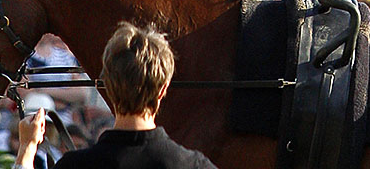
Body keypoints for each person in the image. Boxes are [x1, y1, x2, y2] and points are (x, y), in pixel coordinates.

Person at [14, 23, 217, 169]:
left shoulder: (74, 165)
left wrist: (27, 149)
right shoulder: (193, 164)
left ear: (107, 87)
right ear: (163, 89)